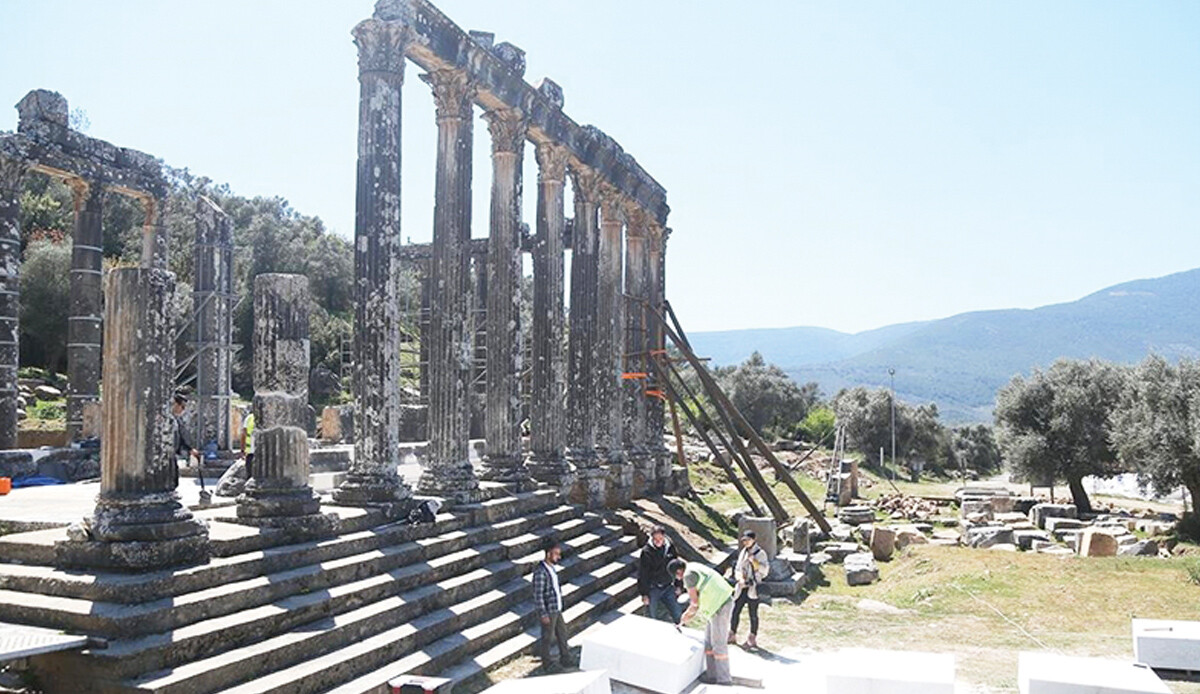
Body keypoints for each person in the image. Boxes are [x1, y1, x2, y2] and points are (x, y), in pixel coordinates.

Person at [670, 557, 733, 686]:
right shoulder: (693, 565)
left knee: (718, 643)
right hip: (715, 606)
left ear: (678, 572)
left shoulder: (688, 576)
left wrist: (685, 617)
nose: (678, 580)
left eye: (677, 577)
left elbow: (694, 604)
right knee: (708, 642)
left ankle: (724, 679)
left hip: (720, 605)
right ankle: (712, 675)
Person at [532, 537, 576, 672]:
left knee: (562, 634)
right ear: (548, 554)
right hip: (549, 610)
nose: (558, 556)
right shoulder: (540, 572)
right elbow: (538, 594)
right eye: (556, 554)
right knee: (547, 637)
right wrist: (543, 613)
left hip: (556, 608)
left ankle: (565, 658)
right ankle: (547, 663)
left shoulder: (552, 569)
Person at [730, 529, 770, 649]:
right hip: (742, 586)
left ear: (753, 540)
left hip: (754, 587)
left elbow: (765, 570)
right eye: (744, 540)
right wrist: (740, 579)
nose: (745, 542)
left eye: (747, 540)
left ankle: (752, 637)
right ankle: (732, 633)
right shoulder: (743, 552)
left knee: (753, 613)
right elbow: (738, 568)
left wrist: (755, 562)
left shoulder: (760, 553)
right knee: (735, 610)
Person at [638, 525, 683, 623]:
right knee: (651, 616)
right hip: (653, 588)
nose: (658, 541)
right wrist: (644, 594)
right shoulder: (646, 552)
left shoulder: (670, 547)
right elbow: (643, 574)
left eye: (660, 539)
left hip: (668, 586)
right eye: (655, 539)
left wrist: (678, 585)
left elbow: (676, 567)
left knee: (677, 613)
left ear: (664, 537)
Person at [171, 395, 199, 467]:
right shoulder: (169, 420)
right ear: (176, 404)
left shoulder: (178, 420)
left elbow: (181, 437)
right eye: (182, 407)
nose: (183, 410)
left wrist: (190, 449)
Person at [240, 409, 256, 477]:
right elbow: (244, 434)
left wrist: (242, 449)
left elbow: (243, 434)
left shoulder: (249, 418)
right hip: (251, 451)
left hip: (253, 451)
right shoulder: (249, 418)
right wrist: (243, 449)